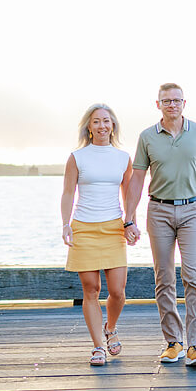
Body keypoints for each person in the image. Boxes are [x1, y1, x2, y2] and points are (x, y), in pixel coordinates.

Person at [124, 83, 196, 367]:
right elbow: (137, 179)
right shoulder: (147, 136)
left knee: (193, 276)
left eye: (176, 100)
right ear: (158, 104)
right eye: (167, 101)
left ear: (184, 103)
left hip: (191, 209)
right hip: (158, 210)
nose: (172, 105)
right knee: (163, 278)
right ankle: (173, 343)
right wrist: (129, 218)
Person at [61, 103, 137, 366]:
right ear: (89, 127)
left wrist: (131, 223)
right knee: (91, 290)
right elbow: (68, 192)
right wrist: (65, 224)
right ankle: (97, 347)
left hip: (114, 227)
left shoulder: (123, 157)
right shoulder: (77, 157)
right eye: (96, 121)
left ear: (113, 125)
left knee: (118, 291)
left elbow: (128, 195)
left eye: (106, 120)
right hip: (84, 227)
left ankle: (110, 327)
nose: (102, 125)